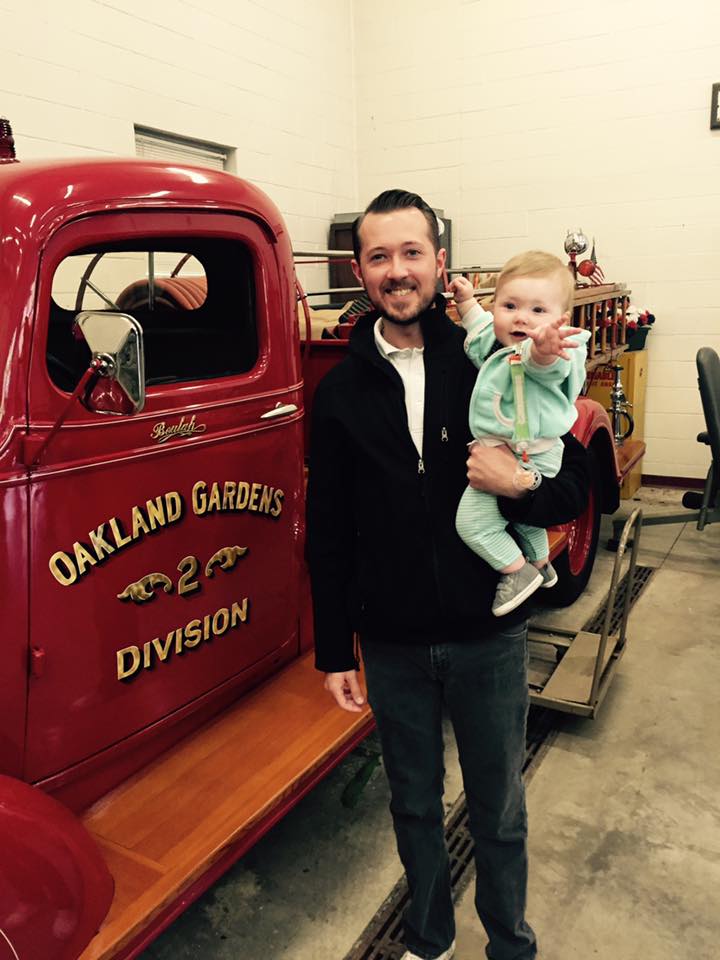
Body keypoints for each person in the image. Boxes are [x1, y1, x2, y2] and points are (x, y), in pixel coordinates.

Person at [306, 189, 590, 960]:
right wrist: (335, 648)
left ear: (439, 262)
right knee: (414, 807)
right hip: (392, 642)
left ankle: (509, 945)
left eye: (411, 253)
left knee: (498, 810)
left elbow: (576, 483)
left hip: (487, 634)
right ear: (359, 270)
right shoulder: (337, 393)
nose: (397, 272)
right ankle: (429, 941)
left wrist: (520, 486)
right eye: (379, 257)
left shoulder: (492, 359)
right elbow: (327, 529)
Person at [448, 253, 591, 617]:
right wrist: (466, 302)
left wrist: (545, 348)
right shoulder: (501, 344)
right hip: (517, 449)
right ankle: (542, 563)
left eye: (539, 311)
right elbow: (482, 327)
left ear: (562, 321)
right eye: (509, 305)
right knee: (524, 520)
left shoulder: (554, 351)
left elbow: (543, 365)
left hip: (528, 455)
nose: (522, 317)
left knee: (473, 524)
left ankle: (516, 570)